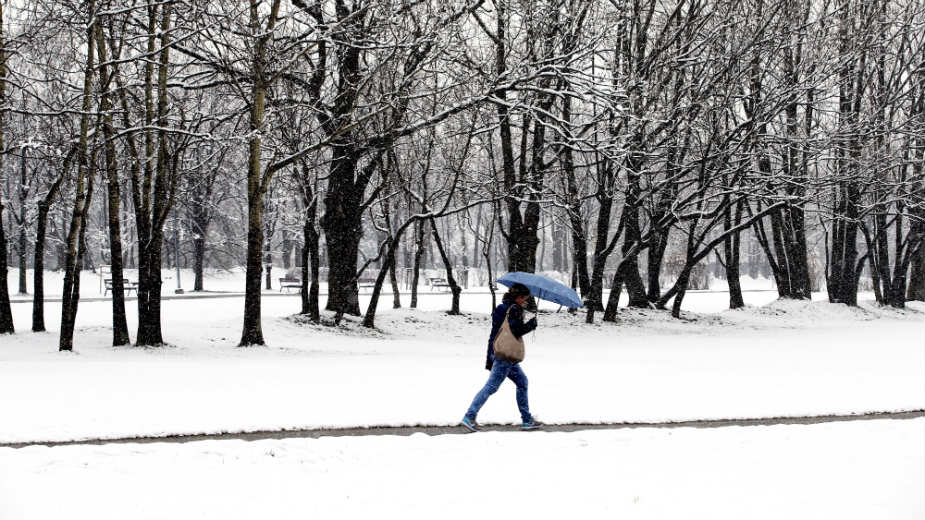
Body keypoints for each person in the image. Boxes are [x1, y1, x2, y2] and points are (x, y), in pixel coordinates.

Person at [461, 282, 542, 432]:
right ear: (518, 297)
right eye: (524, 299)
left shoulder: (502, 307)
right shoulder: (514, 309)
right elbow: (516, 331)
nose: (525, 302)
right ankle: (469, 416)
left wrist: (490, 356)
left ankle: (526, 420)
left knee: (522, 382)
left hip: (498, 351)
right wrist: (531, 325)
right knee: (491, 386)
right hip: (505, 355)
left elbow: (496, 333)